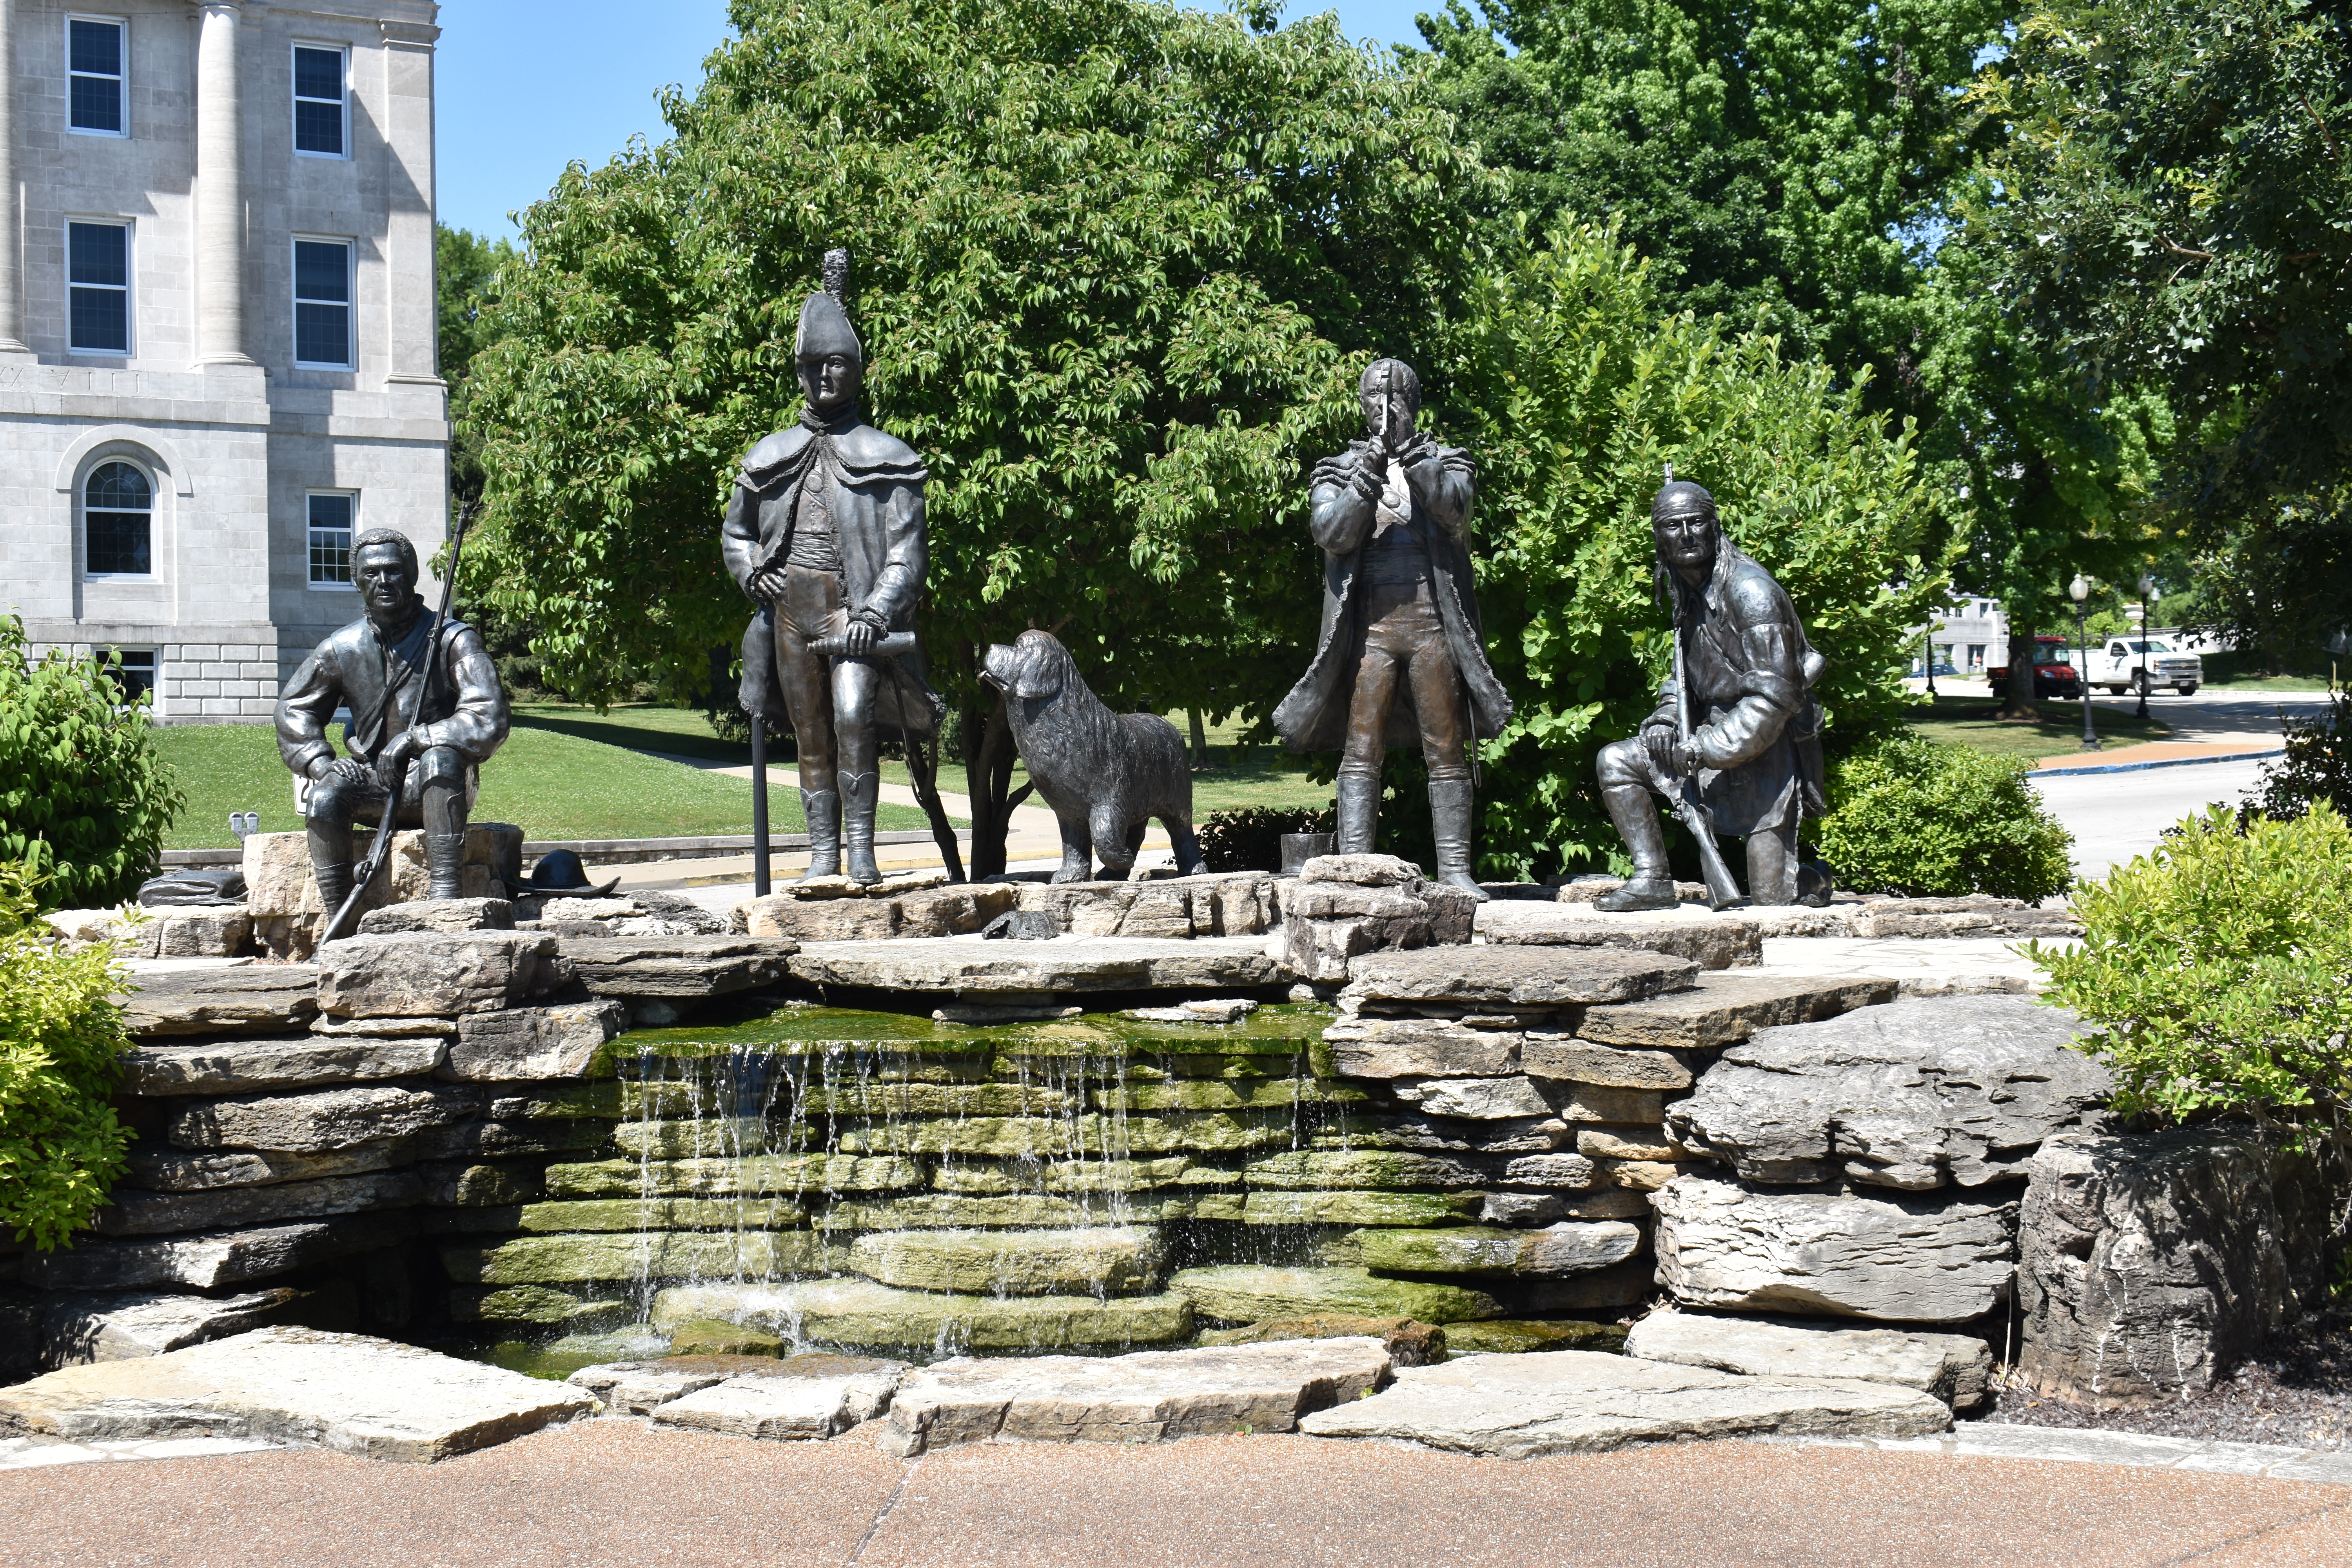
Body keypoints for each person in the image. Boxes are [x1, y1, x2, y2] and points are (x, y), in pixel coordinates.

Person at [721, 250, 944, 885]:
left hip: (854, 615)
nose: (824, 375)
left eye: (837, 363)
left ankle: (861, 850)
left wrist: (876, 612)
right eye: (813, 364)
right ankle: (823, 853)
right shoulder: (769, 455)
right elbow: (736, 533)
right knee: (810, 733)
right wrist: (752, 571)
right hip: (791, 612)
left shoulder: (890, 458)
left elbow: (908, 554)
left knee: (853, 719)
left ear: (857, 370)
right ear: (799, 370)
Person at [1271, 358, 1512, 897]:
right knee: (1361, 750)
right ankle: (1355, 868)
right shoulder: (1338, 470)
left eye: (1397, 396)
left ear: (1414, 403)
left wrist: (1413, 458)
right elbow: (1331, 533)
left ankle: (1455, 871)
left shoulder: (1447, 462)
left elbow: (1454, 511)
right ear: (1361, 405)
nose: (1386, 406)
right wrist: (1367, 476)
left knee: (1447, 750)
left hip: (1433, 629)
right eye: (1376, 398)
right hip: (1369, 634)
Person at [1594, 478, 1828, 910]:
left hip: (1764, 751)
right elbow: (1683, 676)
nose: (1686, 535)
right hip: (1703, 738)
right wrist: (1666, 719)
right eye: (1672, 526)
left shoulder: (1752, 592)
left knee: (1772, 902)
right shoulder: (1685, 590)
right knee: (1616, 761)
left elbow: (1774, 700)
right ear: (1659, 537)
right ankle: (1652, 879)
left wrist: (1705, 748)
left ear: (1715, 526)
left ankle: (1812, 879)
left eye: (1696, 522)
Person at [276, 528, 510, 911]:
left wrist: (419, 738)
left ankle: (445, 898)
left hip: (439, 783)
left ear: (412, 574)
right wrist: (320, 763)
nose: (383, 581)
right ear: (357, 580)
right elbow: (294, 710)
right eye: (371, 573)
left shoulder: (453, 638)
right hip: (374, 782)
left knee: (440, 758)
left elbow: (489, 714)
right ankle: (339, 915)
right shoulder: (340, 648)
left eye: (393, 570)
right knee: (325, 796)